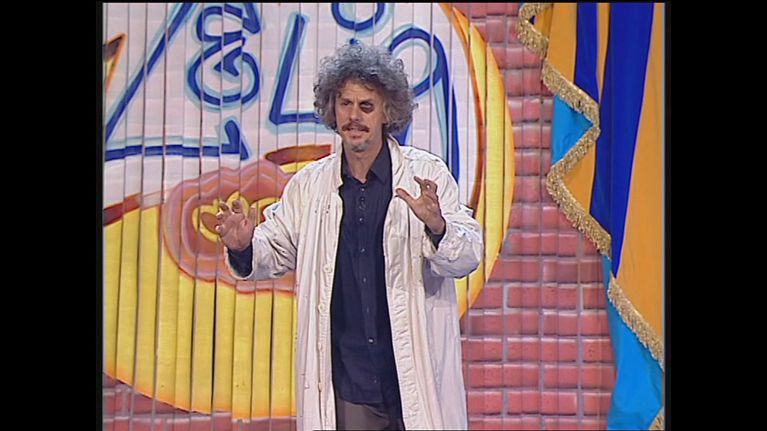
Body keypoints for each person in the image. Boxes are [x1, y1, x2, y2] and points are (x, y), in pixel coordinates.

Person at [216, 42, 483, 431]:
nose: (354, 116)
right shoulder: (310, 186)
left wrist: (438, 226)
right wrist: (243, 246)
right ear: (332, 108)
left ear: (387, 112)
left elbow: (468, 255)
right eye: (345, 104)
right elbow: (272, 251)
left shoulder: (425, 176)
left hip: (415, 380)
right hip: (349, 389)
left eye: (366, 106)